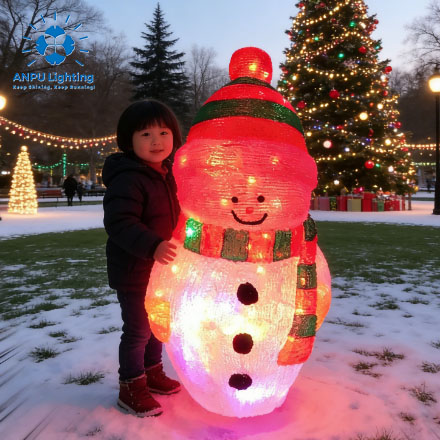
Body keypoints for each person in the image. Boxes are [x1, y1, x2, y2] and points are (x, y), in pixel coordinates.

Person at [102, 100, 182, 418]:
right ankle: (131, 385)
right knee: (138, 330)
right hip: (135, 270)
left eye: (163, 132)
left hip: (161, 272)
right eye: (146, 134)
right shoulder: (128, 178)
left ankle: (152, 372)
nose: (156, 141)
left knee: (156, 326)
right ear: (129, 140)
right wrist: (153, 246)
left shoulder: (167, 175)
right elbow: (120, 223)